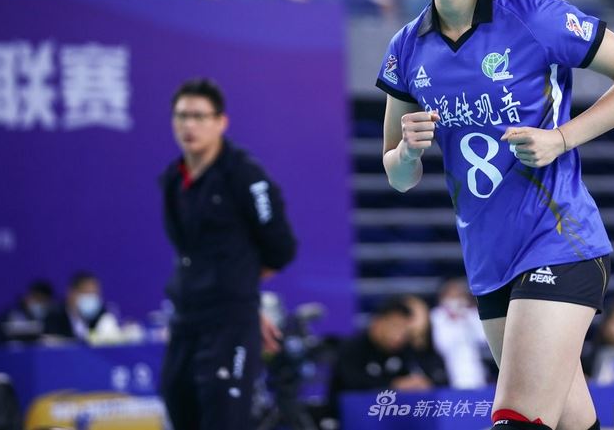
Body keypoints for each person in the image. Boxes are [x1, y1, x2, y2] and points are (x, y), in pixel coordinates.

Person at [376, 0, 614, 430]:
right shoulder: (407, 47)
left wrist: (563, 137)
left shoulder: (536, 18)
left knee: (516, 419)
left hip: (559, 242)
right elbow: (396, 175)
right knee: (571, 423)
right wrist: (408, 154)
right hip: (489, 263)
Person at [159, 78, 297, 430]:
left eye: (199, 116)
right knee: (177, 403)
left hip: (230, 323)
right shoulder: (173, 180)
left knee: (224, 417)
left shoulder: (244, 175)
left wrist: (241, 293)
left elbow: (280, 248)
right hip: (185, 319)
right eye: (181, 116)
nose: (189, 125)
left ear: (221, 122)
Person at [328, 298, 431, 404]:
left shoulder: (405, 349)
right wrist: (393, 385)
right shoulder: (351, 348)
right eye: (395, 326)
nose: (399, 336)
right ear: (377, 323)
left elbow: (423, 374)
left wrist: (419, 383)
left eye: (405, 331)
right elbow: (351, 383)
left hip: (394, 411)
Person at [430, 277, 490, 388]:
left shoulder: (472, 314)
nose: (456, 300)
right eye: (452, 296)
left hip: (477, 373)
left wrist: (465, 318)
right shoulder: (437, 316)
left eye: (459, 295)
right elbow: (441, 344)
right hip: (448, 374)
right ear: (443, 297)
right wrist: (452, 320)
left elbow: (483, 338)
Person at [43, 271, 121, 342]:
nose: (91, 298)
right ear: (71, 293)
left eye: (94, 293)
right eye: (86, 293)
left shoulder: (101, 315)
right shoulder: (54, 315)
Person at [402, 294, 450, 387]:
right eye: (409, 314)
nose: (415, 321)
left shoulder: (440, 345)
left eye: (420, 313)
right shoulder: (398, 353)